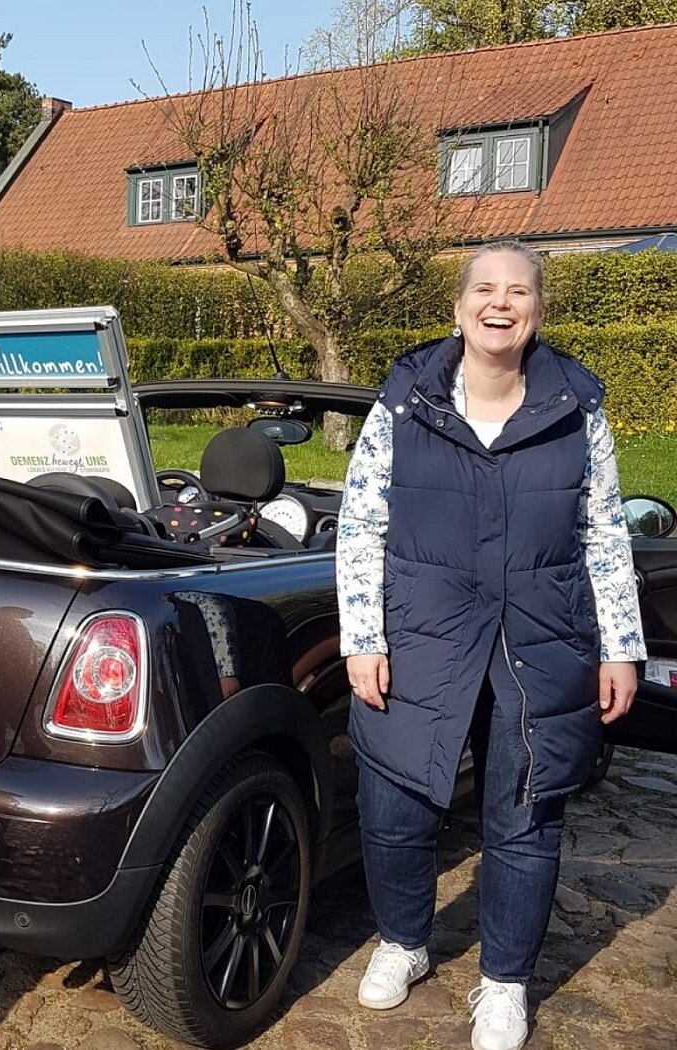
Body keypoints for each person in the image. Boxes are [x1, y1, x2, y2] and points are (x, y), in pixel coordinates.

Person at [336, 240, 644, 1050]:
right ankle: (403, 941)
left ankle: (504, 981)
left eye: (517, 291)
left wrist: (622, 647)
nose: (499, 304)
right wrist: (362, 637)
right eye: (485, 289)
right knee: (393, 806)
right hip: (419, 633)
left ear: (538, 309)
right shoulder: (404, 403)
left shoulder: (579, 411)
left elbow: (605, 534)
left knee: (526, 817)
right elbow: (361, 524)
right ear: (459, 305)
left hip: (541, 638)